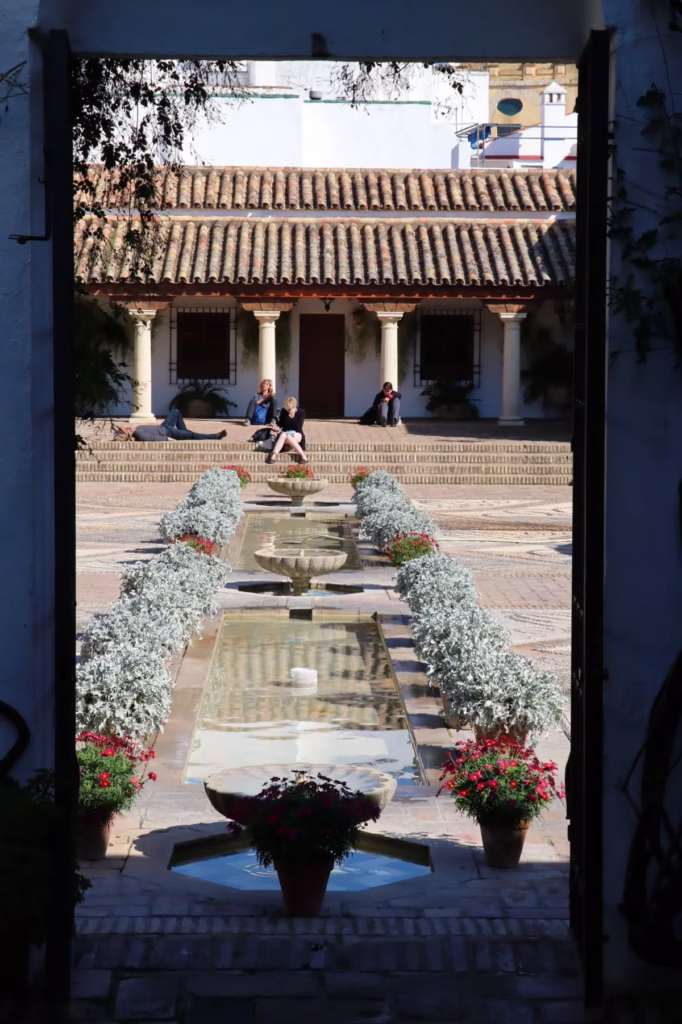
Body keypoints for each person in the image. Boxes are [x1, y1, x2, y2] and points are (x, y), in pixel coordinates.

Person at [114, 408, 227, 442]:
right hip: (168, 432)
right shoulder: (138, 433)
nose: (123, 426)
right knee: (193, 435)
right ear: (125, 433)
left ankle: (185, 434)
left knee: (176, 411)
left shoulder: (135, 430)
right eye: (122, 429)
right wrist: (168, 439)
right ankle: (215, 436)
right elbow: (151, 438)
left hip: (164, 427)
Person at [265, 397, 308, 464]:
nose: (288, 410)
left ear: (294, 407)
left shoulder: (301, 412)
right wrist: (278, 427)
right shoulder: (284, 411)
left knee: (287, 436)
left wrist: (293, 417)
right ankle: (273, 456)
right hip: (285, 433)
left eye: (290, 408)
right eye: (287, 408)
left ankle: (303, 456)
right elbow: (281, 423)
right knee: (284, 434)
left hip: (296, 434)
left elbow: (299, 427)